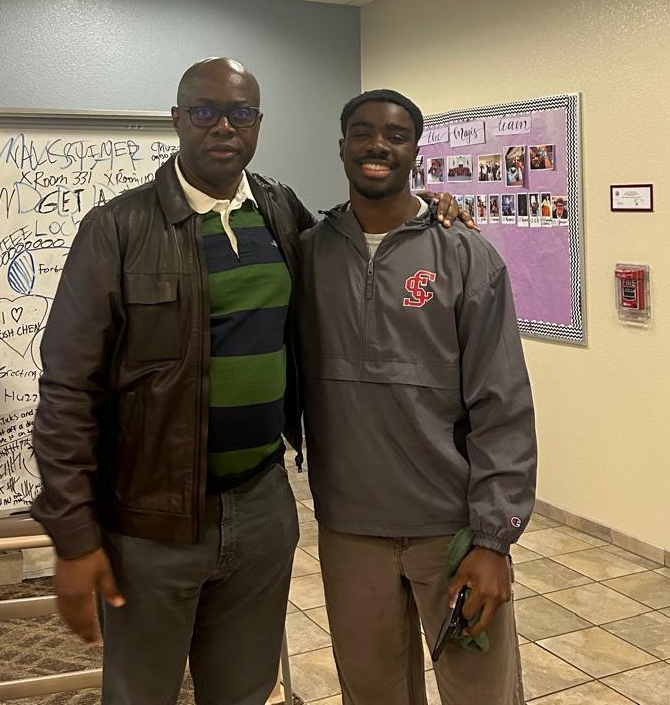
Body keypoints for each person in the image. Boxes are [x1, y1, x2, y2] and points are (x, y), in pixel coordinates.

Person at [31, 59, 470, 705]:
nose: (223, 127)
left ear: (258, 124)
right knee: (140, 693)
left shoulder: (278, 210)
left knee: (244, 690)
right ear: (178, 120)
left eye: (241, 113)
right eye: (204, 111)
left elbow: (355, 238)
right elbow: (67, 388)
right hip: (151, 520)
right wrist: (73, 538)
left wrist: (425, 208)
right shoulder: (118, 228)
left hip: (263, 506)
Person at [296, 89, 537, 705]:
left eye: (396, 135)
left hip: (450, 532)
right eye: (363, 132)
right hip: (350, 530)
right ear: (342, 146)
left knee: (482, 694)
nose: (378, 144)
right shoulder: (306, 255)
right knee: (372, 695)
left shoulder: (466, 256)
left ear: (416, 150)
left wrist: (494, 541)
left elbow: (502, 404)